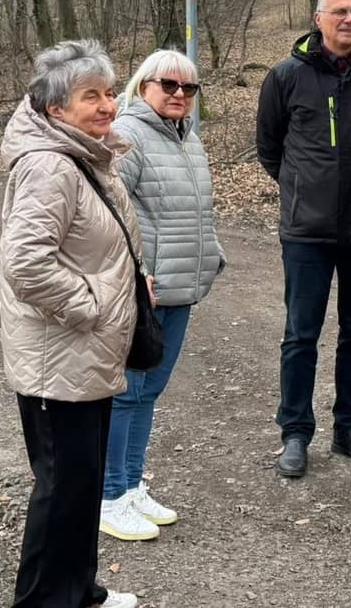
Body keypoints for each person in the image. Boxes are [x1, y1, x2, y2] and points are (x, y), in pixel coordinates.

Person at [0, 40, 141, 608]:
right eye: (91, 96)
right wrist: (93, 305)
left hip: (86, 354)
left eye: (109, 92)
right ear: (56, 108)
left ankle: (80, 592)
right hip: (60, 354)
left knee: (81, 486)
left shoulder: (86, 156)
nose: (107, 105)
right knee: (62, 490)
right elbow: (25, 264)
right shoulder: (50, 166)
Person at [256, 0, 351, 478]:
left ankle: (350, 428)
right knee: (301, 334)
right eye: (339, 11)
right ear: (318, 18)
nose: (349, 19)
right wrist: (304, 188)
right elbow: (270, 149)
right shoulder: (286, 76)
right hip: (307, 231)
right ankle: (295, 433)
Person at [98, 50, 226, 540]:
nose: (179, 94)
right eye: (168, 85)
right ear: (143, 85)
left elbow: (195, 209)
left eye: (188, 88)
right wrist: (138, 273)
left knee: (149, 391)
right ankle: (109, 495)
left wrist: (212, 253)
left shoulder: (186, 137)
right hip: (145, 291)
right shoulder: (127, 136)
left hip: (180, 287)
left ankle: (131, 486)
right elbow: (110, 214)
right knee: (127, 393)